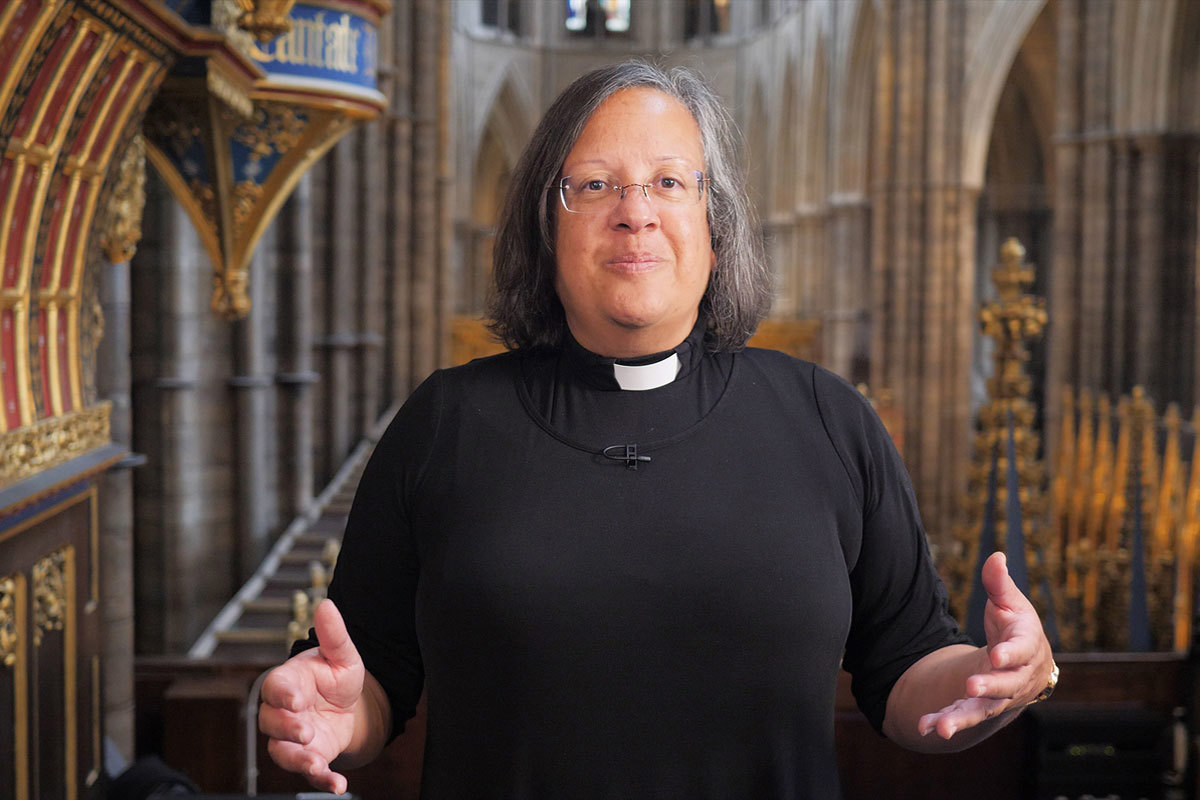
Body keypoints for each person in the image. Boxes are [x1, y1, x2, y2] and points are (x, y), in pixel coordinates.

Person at [258, 60, 1056, 798]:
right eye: (595, 184)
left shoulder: (828, 418)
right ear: (547, 226)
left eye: (669, 182)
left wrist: (992, 677)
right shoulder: (446, 422)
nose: (634, 213)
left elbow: (905, 670)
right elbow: (372, 677)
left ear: (718, 230)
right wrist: (337, 715)